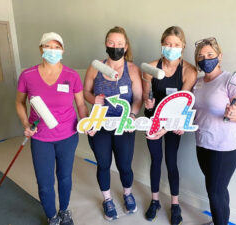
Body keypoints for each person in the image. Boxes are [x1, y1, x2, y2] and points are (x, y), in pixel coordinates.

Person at [16, 32, 88, 225]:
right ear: (41, 49)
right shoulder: (27, 75)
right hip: (41, 138)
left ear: (63, 50)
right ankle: (52, 217)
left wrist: (87, 121)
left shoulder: (72, 76)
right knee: (45, 184)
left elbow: (81, 105)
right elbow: (20, 103)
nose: (53, 51)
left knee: (64, 178)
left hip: (68, 135)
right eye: (49, 46)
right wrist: (25, 124)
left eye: (57, 47)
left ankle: (64, 211)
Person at [83, 26, 143, 221]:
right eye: (111, 43)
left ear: (125, 47)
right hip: (100, 124)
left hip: (123, 124)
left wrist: (132, 117)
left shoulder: (132, 69)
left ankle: (127, 194)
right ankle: (107, 199)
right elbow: (86, 92)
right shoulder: (95, 66)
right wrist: (94, 100)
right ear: (105, 44)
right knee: (103, 164)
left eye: (119, 44)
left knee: (125, 165)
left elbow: (138, 99)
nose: (115, 47)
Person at [143, 26, 197, 225]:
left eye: (175, 44)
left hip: (174, 123)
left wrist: (166, 127)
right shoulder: (150, 66)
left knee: (171, 162)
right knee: (155, 160)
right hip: (153, 119)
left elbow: (183, 103)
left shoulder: (189, 71)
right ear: (162, 45)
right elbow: (146, 96)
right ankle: (155, 200)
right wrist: (148, 103)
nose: (171, 48)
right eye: (167, 44)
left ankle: (175, 204)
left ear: (182, 46)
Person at [192, 37, 236, 225]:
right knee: (218, 189)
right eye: (201, 56)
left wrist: (233, 113)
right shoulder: (198, 83)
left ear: (220, 56)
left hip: (225, 147)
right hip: (202, 143)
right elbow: (194, 112)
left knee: (215, 191)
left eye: (210, 55)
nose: (205, 59)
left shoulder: (231, 80)